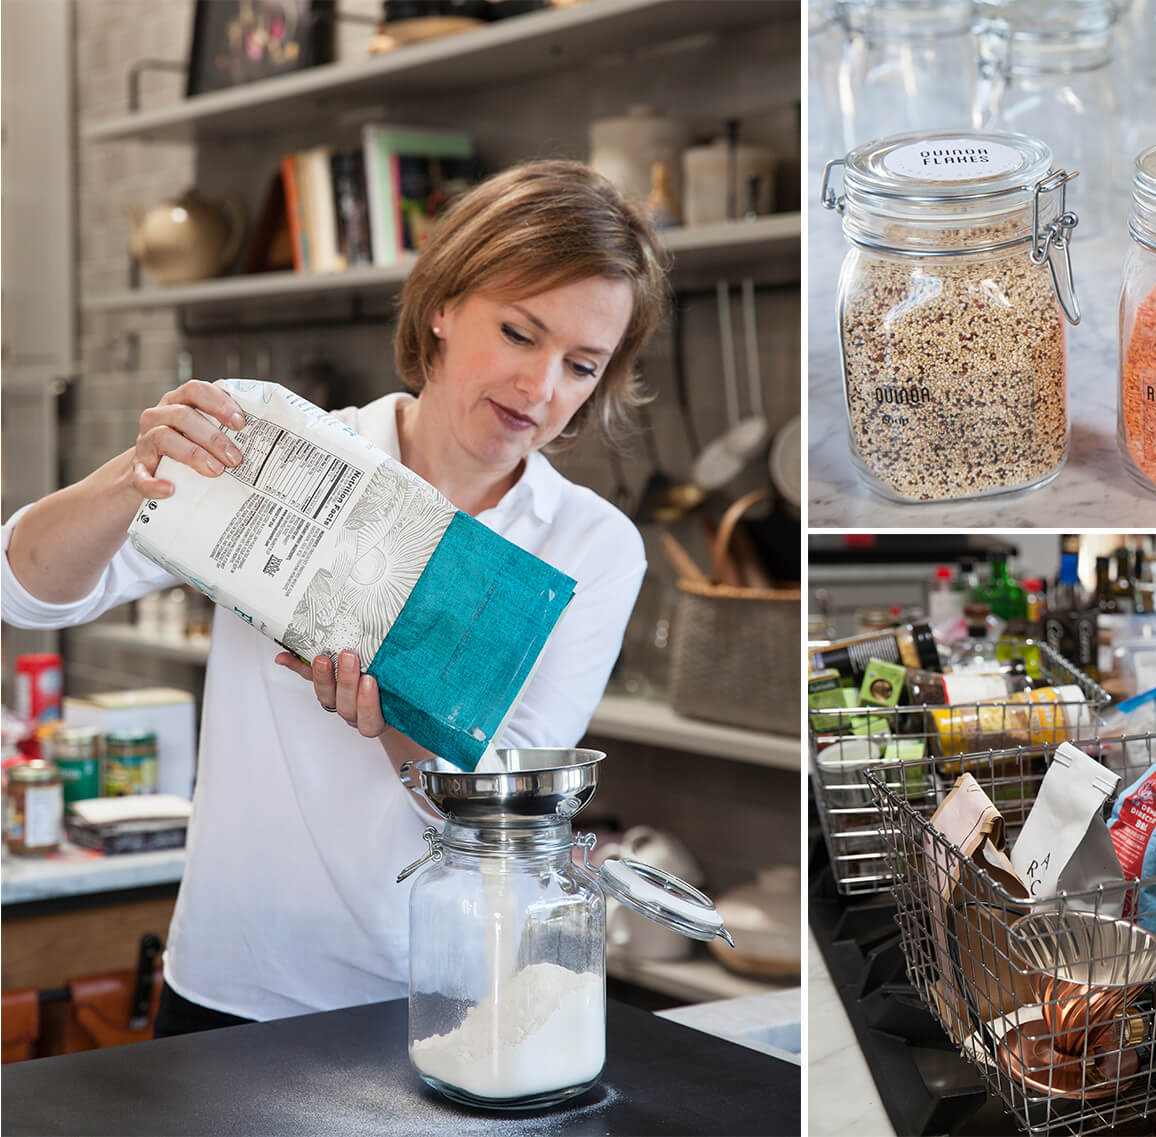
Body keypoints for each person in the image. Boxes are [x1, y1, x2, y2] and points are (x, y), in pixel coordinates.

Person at [1, 160, 666, 1035]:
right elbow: (29, 590)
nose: (542, 389)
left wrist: (389, 718)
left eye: (581, 364)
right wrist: (136, 473)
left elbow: (510, 801)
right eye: (517, 333)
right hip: (235, 981)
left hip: (439, 992)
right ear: (443, 302)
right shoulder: (284, 450)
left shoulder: (592, 544)